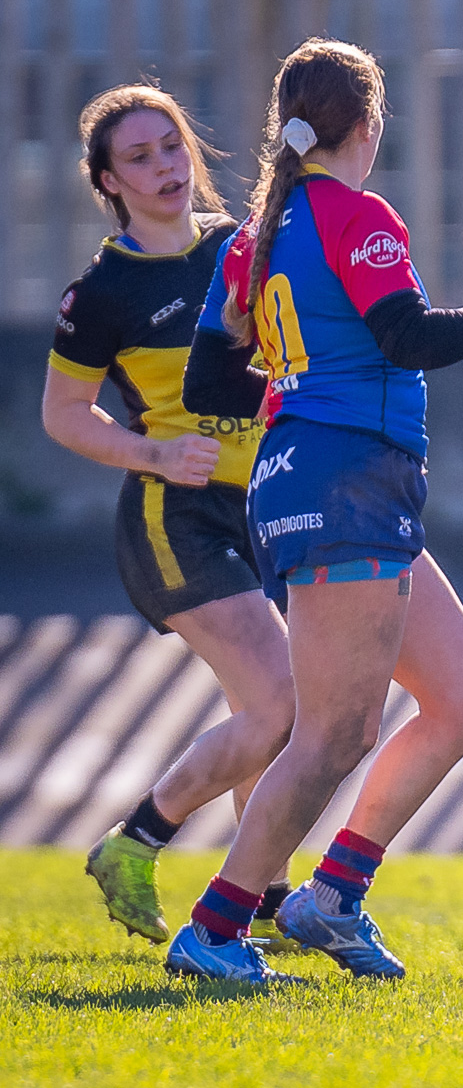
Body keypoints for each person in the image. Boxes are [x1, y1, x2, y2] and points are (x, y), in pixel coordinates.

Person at [166, 38, 463, 984]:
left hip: (318, 478)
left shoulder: (256, 233)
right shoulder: (355, 213)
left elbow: (209, 380)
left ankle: (334, 896)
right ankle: (215, 932)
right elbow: (410, 335)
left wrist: (296, 382)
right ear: (370, 127)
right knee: (334, 734)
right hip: (345, 479)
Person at [42, 84, 299, 950]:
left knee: (259, 711)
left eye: (173, 147)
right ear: (108, 182)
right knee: (278, 704)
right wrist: (154, 453)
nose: (165, 169)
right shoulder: (102, 293)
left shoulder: (242, 246)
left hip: (266, 506)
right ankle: (137, 841)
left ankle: (261, 902)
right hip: (173, 519)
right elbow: (62, 416)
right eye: (140, 158)